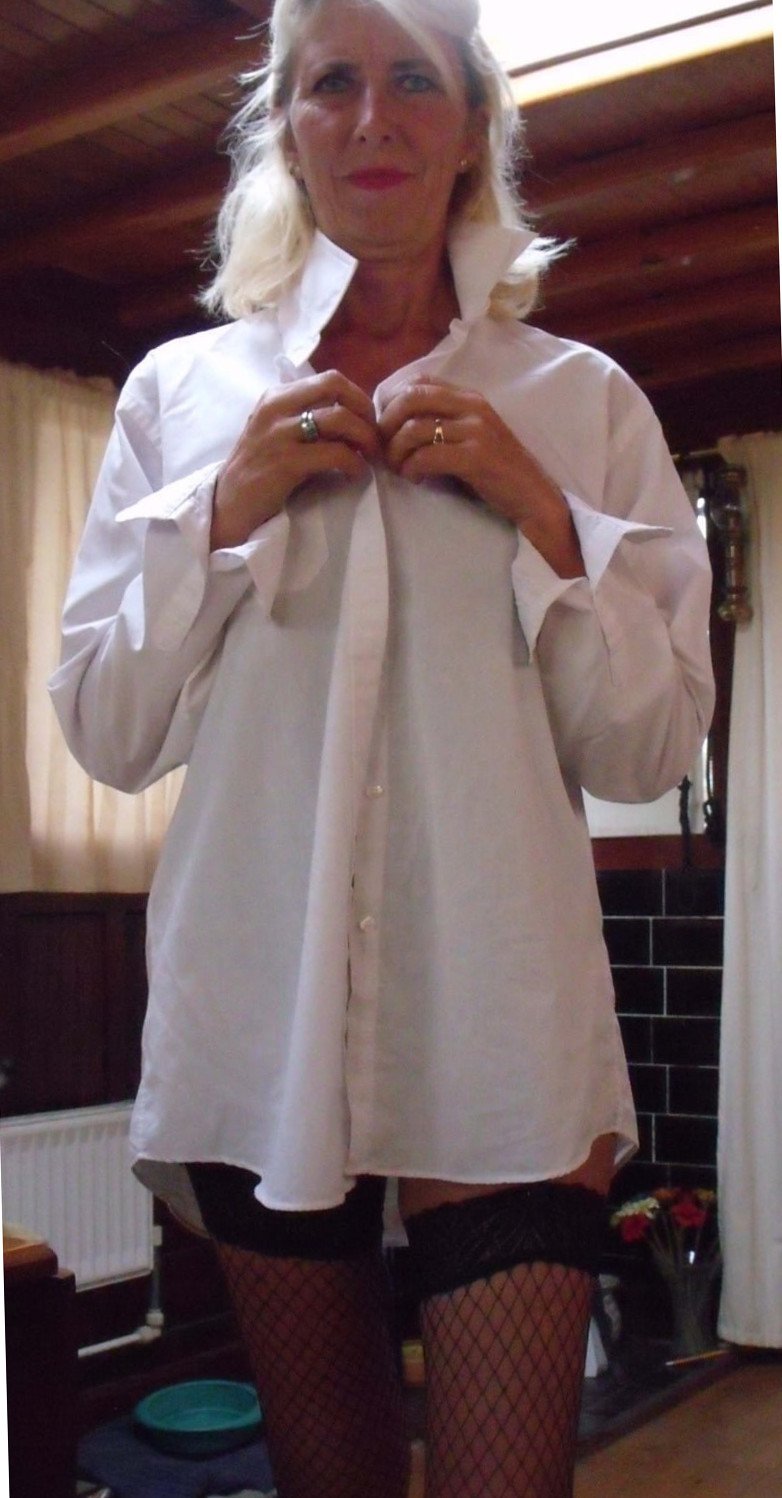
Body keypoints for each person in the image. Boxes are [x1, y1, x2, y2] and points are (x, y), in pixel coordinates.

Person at [50, 0, 715, 1494]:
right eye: (329, 83)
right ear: (283, 128)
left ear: (472, 126)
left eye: (413, 79)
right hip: (257, 1017)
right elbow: (106, 727)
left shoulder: (584, 402)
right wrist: (220, 510)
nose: (371, 117)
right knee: (327, 1477)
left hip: (503, 1022)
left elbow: (648, 742)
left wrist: (543, 512)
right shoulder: (178, 398)